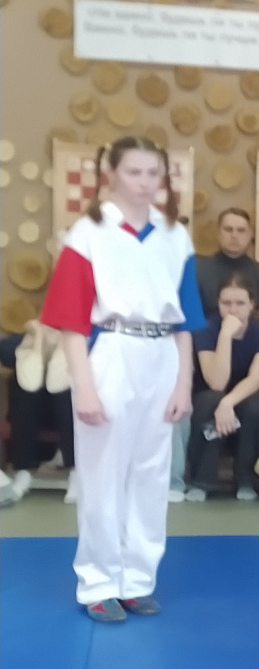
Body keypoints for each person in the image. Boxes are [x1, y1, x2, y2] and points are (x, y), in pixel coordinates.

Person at [38, 136, 201, 621]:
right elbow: (71, 321)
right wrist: (84, 386)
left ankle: (136, 579)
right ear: (110, 173)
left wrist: (184, 382)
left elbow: (186, 319)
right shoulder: (87, 233)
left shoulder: (175, 236)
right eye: (134, 172)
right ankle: (98, 581)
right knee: (103, 474)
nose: (145, 183)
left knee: (151, 475)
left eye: (153, 173)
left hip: (162, 354)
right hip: (110, 351)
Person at [186, 273, 259, 501]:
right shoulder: (206, 329)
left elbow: (255, 379)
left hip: (242, 397)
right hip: (208, 398)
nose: (233, 310)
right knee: (211, 400)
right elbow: (217, 382)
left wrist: (228, 402)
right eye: (226, 303)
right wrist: (225, 335)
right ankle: (202, 480)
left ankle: (247, 480)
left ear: (252, 304)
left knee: (254, 408)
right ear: (218, 303)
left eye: (240, 303)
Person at [1, 321, 76, 503]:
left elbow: (59, 381)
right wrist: (38, 338)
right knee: (22, 384)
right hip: (35, 408)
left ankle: (75, 470)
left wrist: (64, 340)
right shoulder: (25, 337)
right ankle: (23, 471)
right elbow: (29, 381)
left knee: (65, 387)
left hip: (70, 405)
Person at [195, 208, 259, 337]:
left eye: (241, 230)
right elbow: (188, 319)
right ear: (218, 233)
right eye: (228, 229)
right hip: (206, 344)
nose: (234, 235)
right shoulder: (198, 271)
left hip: (253, 346)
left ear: (250, 235)